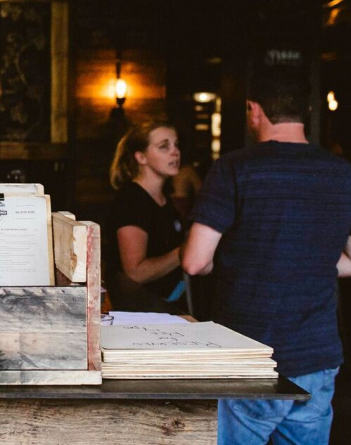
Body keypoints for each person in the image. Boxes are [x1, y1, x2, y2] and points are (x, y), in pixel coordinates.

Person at [181, 65, 351, 445]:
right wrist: (307, 258)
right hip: (317, 356)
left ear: (254, 110)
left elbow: (194, 261)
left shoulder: (234, 168)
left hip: (249, 354)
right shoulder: (342, 173)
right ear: (307, 111)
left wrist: (247, 255)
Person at [106, 120, 186, 312]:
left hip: (165, 307)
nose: (175, 152)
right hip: (140, 312)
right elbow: (135, 273)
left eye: (176, 145)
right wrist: (185, 251)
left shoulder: (164, 199)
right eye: (164, 146)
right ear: (141, 157)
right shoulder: (131, 201)